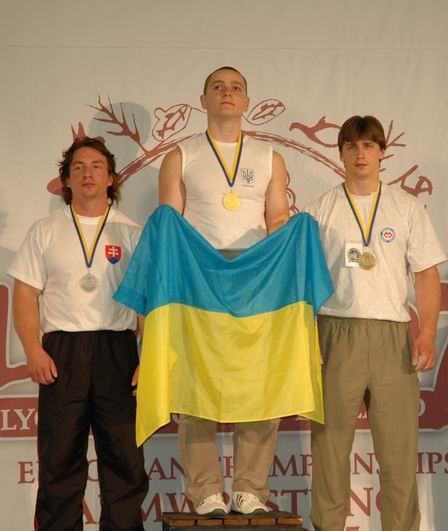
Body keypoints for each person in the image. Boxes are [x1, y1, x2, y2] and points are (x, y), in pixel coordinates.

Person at [157, 66, 290, 516]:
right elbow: (168, 227)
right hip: (199, 278)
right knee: (197, 383)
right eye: (218, 87)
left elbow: (277, 222)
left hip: (255, 277)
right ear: (203, 99)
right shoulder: (180, 154)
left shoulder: (269, 155)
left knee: (260, 382)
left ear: (247, 101)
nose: (227, 94)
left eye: (236, 88)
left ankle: (251, 488)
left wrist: (277, 268)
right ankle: (205, 489)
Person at [304, 115, 446, 531]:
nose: (360, 153)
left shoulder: (406, 207)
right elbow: (300, 275)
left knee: (398, 454)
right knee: (330, 451)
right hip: (334, 331)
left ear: (383, 152)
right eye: (351, 146)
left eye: (368, 145)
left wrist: (427, 332)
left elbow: (426, 274)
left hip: (391, 336)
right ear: (341, 153)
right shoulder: (321, 208)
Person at [9, 138, 148, 530]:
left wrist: (149, 356)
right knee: (59, 460)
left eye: (97, 166)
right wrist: (33, 349)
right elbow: (24, 295)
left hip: (117, 350)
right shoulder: (45, 231)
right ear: (66, 180)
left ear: (111, 177)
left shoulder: (132, 233)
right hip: (62, 351)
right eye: (78, 167)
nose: (88, 173)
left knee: (124, 458)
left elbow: (149, 303)